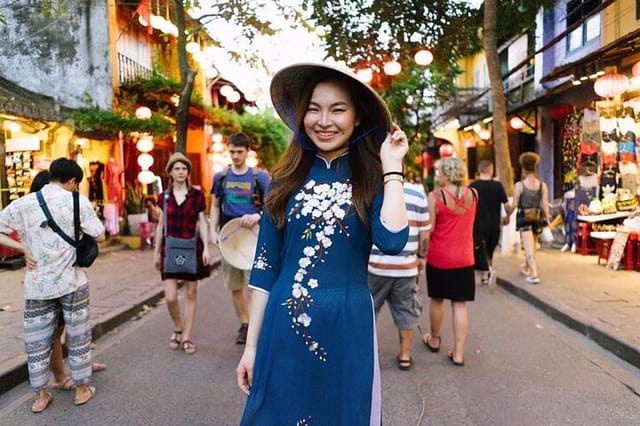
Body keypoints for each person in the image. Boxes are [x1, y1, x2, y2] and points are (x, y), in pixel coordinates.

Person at [235, 63, 409, 425]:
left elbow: (392, 241)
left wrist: (392, 168)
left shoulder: (372, 177)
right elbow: (265, 269)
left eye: (338, 109)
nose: (324, 120)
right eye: (314, 108)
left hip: (347, 329)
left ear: (358, 116)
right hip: (283, 327)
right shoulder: (284, 179)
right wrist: (251, 347)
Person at [0, 158, 105, 412]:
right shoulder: (77, 201)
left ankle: (41, 395)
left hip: (38, 285)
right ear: (72, 181)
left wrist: (23, 247)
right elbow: (99, 233)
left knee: (37, 341)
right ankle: (81, 390)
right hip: (71, 281)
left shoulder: (25, 203)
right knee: (78, 335)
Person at [27, 170, 107, 392]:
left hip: (67, 277)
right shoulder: (36, 211)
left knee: (72, 325)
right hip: (49, 283)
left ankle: (82, 364)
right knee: (56, 330)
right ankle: (61, 376)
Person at [209, 133, 270, 345]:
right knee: (235, 286)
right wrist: (212, 231)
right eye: (232, 151)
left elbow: (272, 207)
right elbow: (215, 205)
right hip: (230, 237)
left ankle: (257, 327)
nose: (235, 156)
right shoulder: (221, 177)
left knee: (255, 286)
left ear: (247, 152)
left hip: (253, 238)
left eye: (239, 152)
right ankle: (245, 324)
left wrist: (258, 215)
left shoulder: (259, 178)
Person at [421, 157, 477, 367]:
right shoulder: (474, 195)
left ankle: (435, 339)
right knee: (459, 303)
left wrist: (420, 254)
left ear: (445, 174)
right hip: (465, 257)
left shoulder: (435, 197)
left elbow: (429, 230)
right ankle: (459, 353)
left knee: (437, 299)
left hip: (439, 257)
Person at [368, 180, 429, 371]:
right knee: (406, 310)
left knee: (370, 310)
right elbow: (425, 231)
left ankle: (371, 352)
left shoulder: (373, 191)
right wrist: (422, 256)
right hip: (406, 266)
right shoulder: (418, 193)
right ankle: (405, 354)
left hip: (376, 265)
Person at [154, 152, 211, 355]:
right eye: (177, 168)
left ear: (188, 172)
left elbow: (202, 222)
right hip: (169, 248)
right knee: (170, 297)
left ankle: (186, 336)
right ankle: (178, 326)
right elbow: (161, 224)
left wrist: (206, 247)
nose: (181, 172)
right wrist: (155, 253)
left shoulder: (196, 195)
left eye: (184, 168)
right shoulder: (164, 197)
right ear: (170, 172)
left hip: (191, 246)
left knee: (190, 294)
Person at [505, 152, 550, 284]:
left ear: (523, 168)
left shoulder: (519, 185)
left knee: (529, 246)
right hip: (537, 217)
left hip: (523, 217)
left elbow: (514, 205)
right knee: (532, 245)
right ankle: (526, 266)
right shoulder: (543, 185)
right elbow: (545, 206)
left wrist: (507, 213)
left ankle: (534, 274)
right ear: (535, 168)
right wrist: (547, 220)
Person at [469, 160, 510, 291]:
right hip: (494, 224)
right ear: (491, 170)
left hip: (478, 224)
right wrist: (507, 216)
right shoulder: (498, 186)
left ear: (479, 170)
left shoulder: (473, 186)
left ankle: (484, 274)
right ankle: (487, 273)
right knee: (490, 250)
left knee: (480, 248)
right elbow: (507, 205)